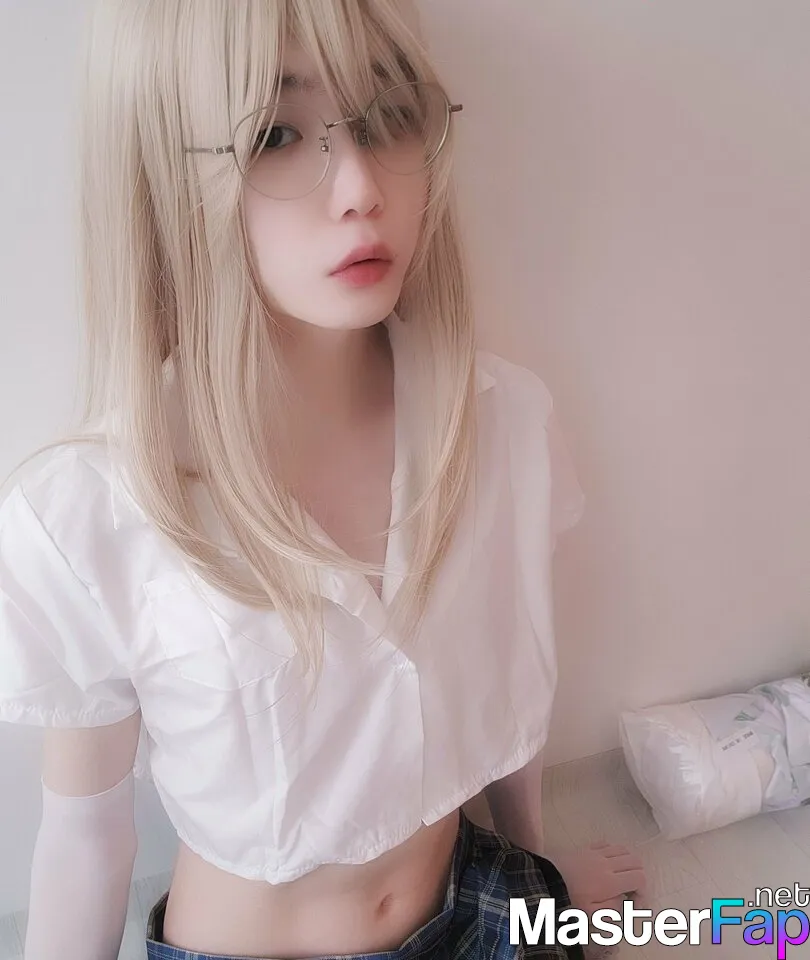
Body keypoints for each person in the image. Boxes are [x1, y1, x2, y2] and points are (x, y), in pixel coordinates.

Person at [0, 1, 646, 958]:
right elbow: (86, 837)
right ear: (163, 175)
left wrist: (536, 880)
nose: (360, 188)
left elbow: (508, 700)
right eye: (273, 134)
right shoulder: (90, 517)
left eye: (388, 117)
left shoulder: (506, 423)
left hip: (478, 903)